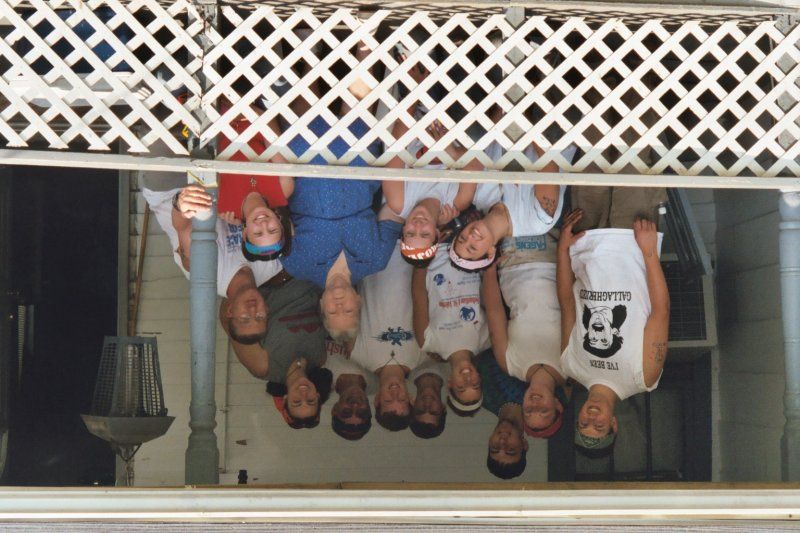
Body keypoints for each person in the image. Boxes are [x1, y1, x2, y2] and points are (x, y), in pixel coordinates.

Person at [279, 34, 404, 342]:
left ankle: (308, 39)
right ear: (358, 302)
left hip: (306, 168)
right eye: (347, 310)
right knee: (359, 114)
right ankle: (365, 34)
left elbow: (279, 213)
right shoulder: (375, 260)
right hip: (357, 169)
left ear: (321, 305)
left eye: (333, 312)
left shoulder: (296, 265)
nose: (338, 304)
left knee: (302, 116)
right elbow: (393, 211)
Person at [557, 187, 670, 458]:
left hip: (586, 244)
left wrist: (562, 250)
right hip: (632, 242)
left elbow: (567, 302)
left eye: (583, 424)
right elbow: (660, 312)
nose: (591, 418)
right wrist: (649, 251)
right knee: (633, 164)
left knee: (591, 165)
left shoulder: (570, 365)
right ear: (614, 424)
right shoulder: (642, 378)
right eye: (599, 426)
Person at [382, 59, 480, 267]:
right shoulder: (455, 203)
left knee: (418, 59)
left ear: (403, 229)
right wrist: (451, 151)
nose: (418, 225)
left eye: (410, 232)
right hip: (459, 116)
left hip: (416, 107)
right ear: (436, 233)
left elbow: (397, 140)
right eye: (425, 234)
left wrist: (416, 90)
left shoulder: (399, 201)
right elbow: (477, 162)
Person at [481, 233, 570, 438]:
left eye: (529, 410)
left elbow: (495, 312)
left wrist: (489, 270)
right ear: (557, 404)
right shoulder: (570, 365)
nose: (535, 403)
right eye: (543, 410)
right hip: (553, 259)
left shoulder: (510, 365)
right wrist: (564, 252)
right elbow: (568, 306)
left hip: (512, 262)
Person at [173, 185, 282, 344]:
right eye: (259, 316)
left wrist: (180, 202)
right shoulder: (274, 265)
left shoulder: (206, 276)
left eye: (245, 318)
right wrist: (243, 217)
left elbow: (183, 226)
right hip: (232, 184)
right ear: (266, 309)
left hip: (175, 191)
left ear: (230, 310)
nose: (253, 310)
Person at [220, 272, 329, 426]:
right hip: (309, 273)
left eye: (296, 401)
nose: (303, 393)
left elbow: (228, 318)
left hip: (265, 276)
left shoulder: (263, 366)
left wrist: (244, 285)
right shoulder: (320, 357)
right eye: (310, 400)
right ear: (317, 396)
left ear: (285, 399)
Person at [449, 138, 574, 272]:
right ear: (491, 251)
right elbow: (549, 164)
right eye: (472, 247)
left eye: (462, 238)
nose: (470, 237)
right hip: (557, 136)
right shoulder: (536, 223)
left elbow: (481, 147)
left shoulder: (477, 198)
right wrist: (529, 130)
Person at [347, 242, 426, 432]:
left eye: (389, 400)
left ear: (377, 400)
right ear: (410, 398)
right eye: (401, 399)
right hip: (412, 249)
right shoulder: (423, 353)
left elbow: (350, 293)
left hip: (373, 249)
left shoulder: (356, 353)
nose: (395, 392)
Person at [411, 242, 489, 417]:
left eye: (461, 387)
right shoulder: (486, 339)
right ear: (479, 378)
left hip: (435, 251)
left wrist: (425, 253)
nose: (467, 378)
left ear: (450, 383)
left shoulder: (428, 343)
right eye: (474, 384)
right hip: (471, 249)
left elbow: (419, 294)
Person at [216, 99, 295, 262]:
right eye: (272, 230)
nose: (264, 224)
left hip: (215, 119)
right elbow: (270, 125)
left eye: (258, 233)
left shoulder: (223, 206)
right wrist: (239, 105)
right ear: (280, 223)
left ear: (245, 233)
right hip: (257, 106)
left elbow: (207, 152)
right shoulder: (284, 189)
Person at [325, 340, 377, 440]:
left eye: (346, 412)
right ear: (370, 411)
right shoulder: (379, 381)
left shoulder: (322, 375)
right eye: (361, 412)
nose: (355, 405)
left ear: (335, 409)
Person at [408, 359, 449, 439]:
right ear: (443, 407)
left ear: (412, 404)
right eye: (434, 412)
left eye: (420, 410)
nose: (427, 405)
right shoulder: (456, 373)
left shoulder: (403, 372)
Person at [486, 402, 528, 479]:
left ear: (489, 440)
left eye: (495, 448)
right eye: (510, 449)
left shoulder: (483, 399)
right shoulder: (543, 411)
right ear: (524, 444)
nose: (502, 441)